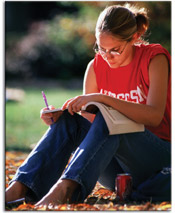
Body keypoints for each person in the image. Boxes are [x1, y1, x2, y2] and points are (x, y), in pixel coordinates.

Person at [6, 3, 171, 206]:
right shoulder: (94, 67)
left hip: (157, 158)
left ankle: (66, 189)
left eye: (115, 50)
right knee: (70, 121)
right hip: (114, 169)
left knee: (111, 120)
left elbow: (154, 116)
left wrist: (103, 99)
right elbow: (89, 130)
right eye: (101, 48)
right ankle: (21, 187)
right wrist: (60, 117)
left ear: (135, 38)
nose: (107, 56)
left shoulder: (154, 58)